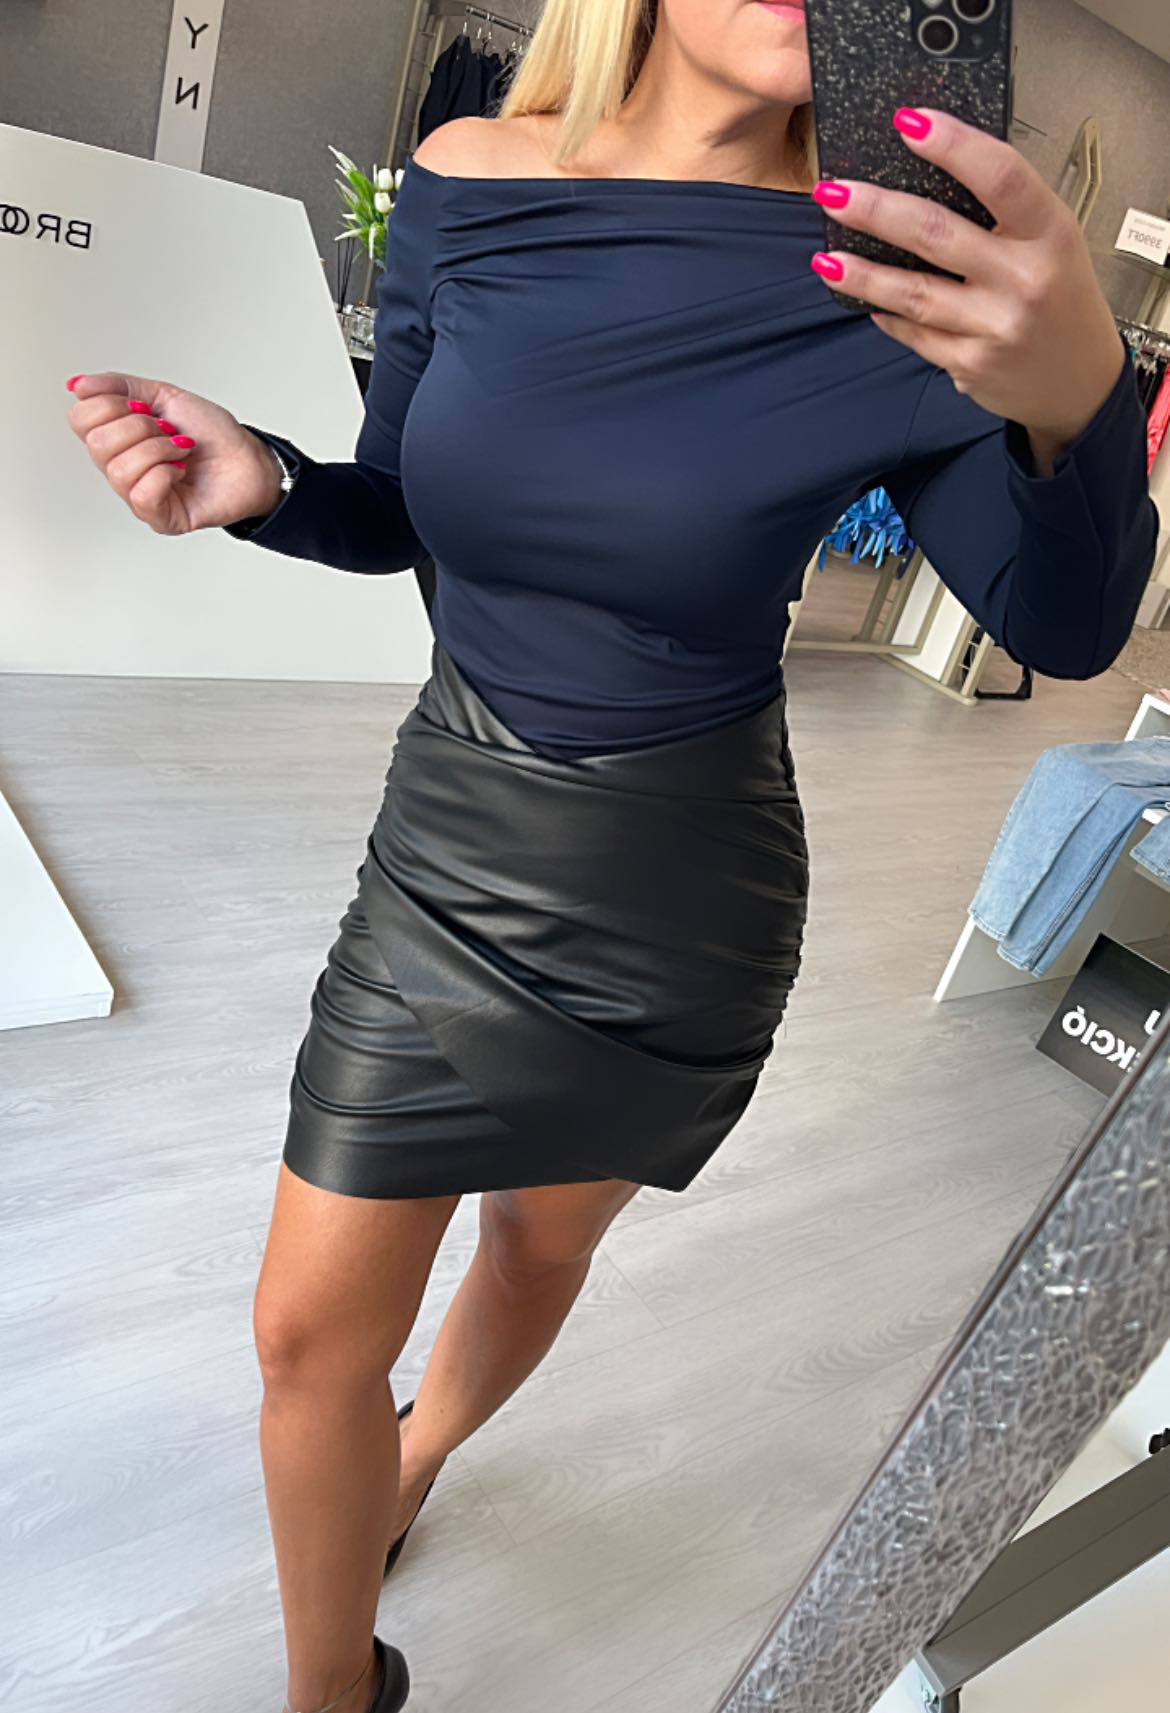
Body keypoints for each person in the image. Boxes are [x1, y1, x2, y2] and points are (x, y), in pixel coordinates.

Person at [64, 1, 1158, 1708]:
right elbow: (402, 504)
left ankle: (420, 1453)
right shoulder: (465, 175)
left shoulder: (897, 268)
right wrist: (269, 482)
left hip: (677, 891)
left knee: (536, 1246)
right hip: (447, 838)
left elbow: (1062, 624)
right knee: (302, 1335)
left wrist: (1077, 395)